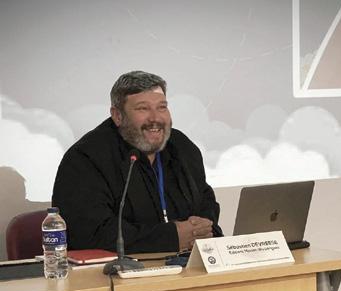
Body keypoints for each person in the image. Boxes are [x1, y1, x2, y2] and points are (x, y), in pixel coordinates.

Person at [52, 70, 222, 253]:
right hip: (120, 269)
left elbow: (205, 200)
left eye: (162, 107)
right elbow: (90, 234)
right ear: (118, 115)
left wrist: (201, 229)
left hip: (187, 263)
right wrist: (171, 238)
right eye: (143, 108)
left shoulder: (181, 147)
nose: (155, 118)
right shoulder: (85, 158)